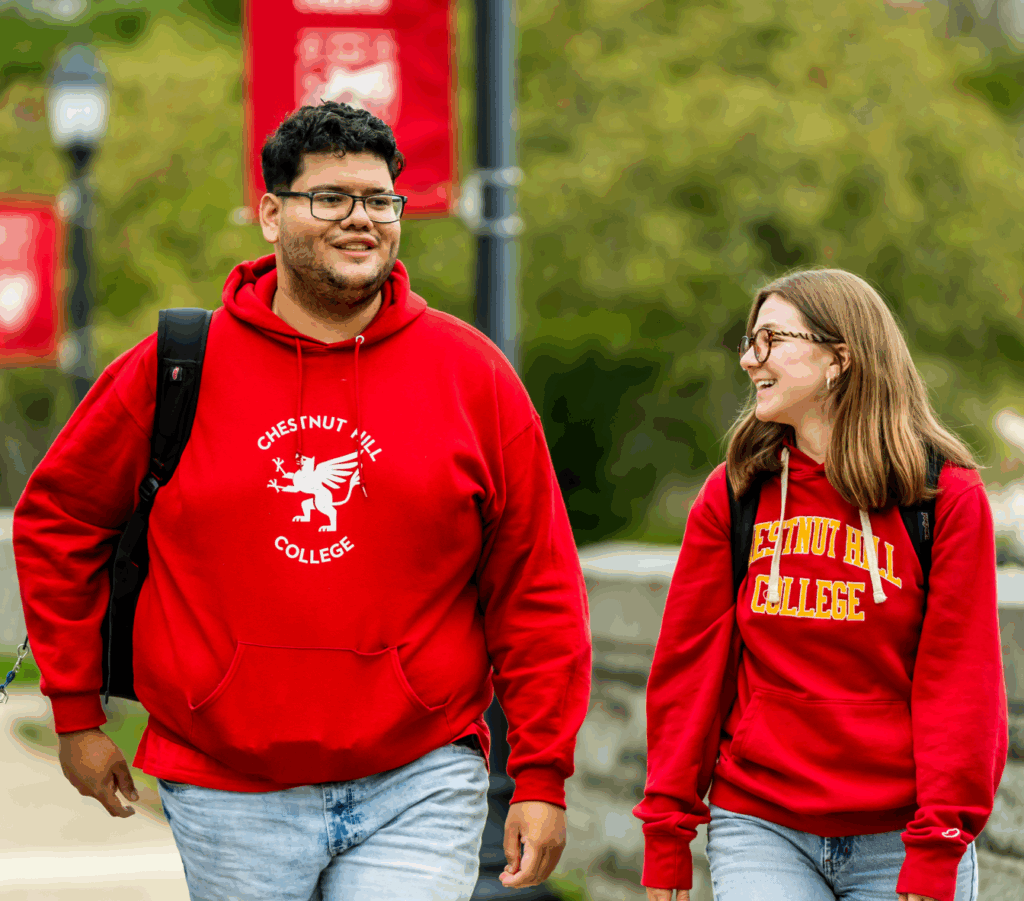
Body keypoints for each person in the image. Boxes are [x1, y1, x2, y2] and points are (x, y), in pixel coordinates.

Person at [14, 101, 591, 901]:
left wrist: (542, 773)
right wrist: (75, 713)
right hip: (226, 780)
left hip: (418, 775)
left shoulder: (472, 376)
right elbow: (59, 520)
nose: (361, 220)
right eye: (330, 198)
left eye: (380, 201)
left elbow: (538, 586)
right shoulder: (175, 365)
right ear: (271, 214)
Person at [634, 269, 1007, 901]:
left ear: (840, 359)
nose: (751, 359)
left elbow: (961, 682)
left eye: (772, 340)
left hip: (903, 835)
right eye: (750, 342)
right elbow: (689, 670)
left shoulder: (942, 498)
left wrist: (940, 843)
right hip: (761, 823)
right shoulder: (735, 495)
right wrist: (667, 832)